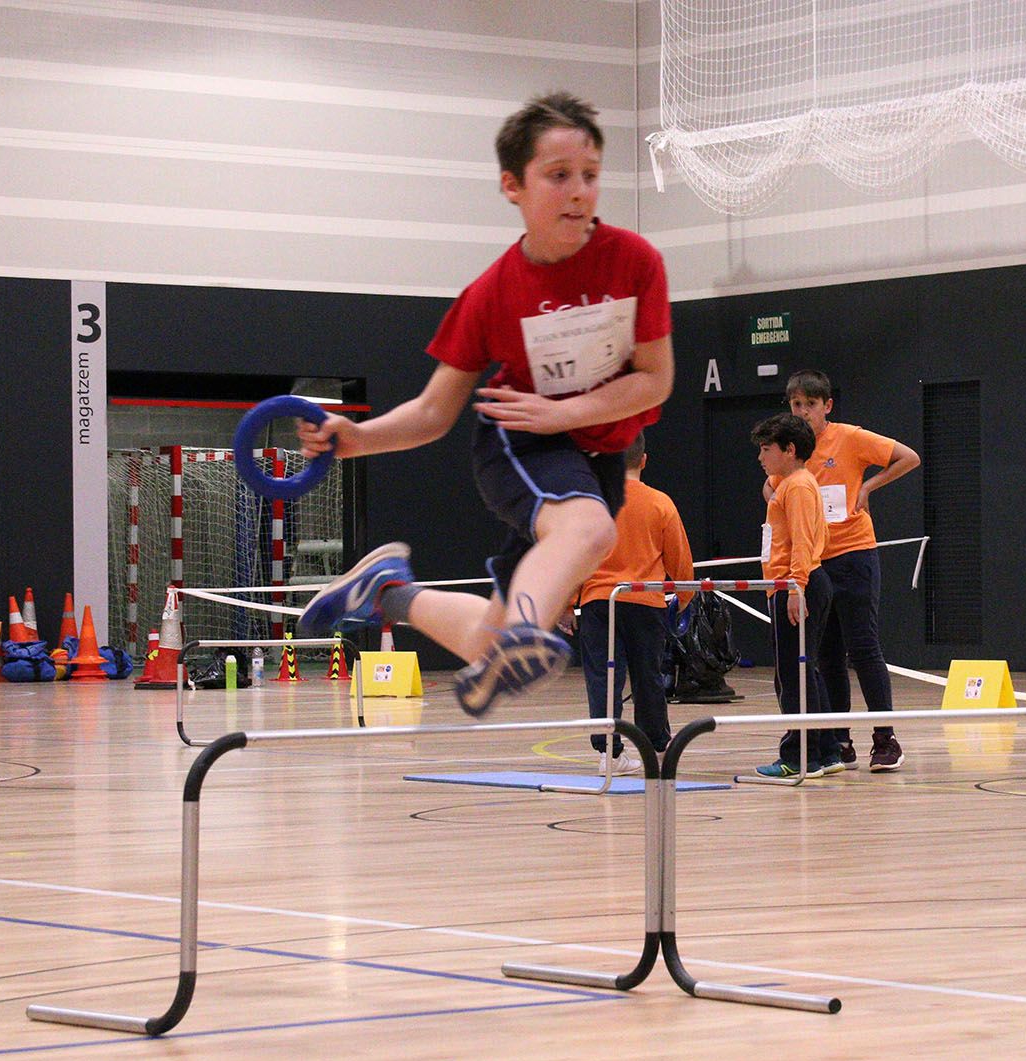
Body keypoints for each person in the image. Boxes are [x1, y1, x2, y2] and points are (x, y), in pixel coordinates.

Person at [295, 92, 674, 717]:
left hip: (593, 457)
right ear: (512, 185)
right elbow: (432, 412)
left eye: (590, 175)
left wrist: (568, 413)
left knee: (485, 640)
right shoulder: (493, 293)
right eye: (558, 176)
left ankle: (386, 593)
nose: (579, 192)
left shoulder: (634, 262)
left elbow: (655, 381)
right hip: (520, 441)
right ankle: (525, 634)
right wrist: (357, 438)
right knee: (590, 530)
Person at [765, 369, 919, 771]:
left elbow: (909, 457)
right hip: (814, 564)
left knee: (863, 647)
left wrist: (868, 487)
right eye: (796, 404)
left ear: (827, 406)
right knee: (826, 655)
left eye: (810, 404)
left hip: (853, 555)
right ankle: (838, 739)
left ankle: (885, 739)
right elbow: (771, 486)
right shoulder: (791, 450)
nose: (802, 411)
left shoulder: (850, 438)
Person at [573, 430, 695, 775]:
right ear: (643, 460)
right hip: (645, 600)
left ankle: (608, 753)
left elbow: (575, 556)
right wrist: (684, 597)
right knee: (648, 676)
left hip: (599, 601)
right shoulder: (660, 502)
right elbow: (680, 558)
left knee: (602, 677)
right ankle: (656, 744)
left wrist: (568, 602)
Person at [751, 412, 840, 779]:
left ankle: (799, 756)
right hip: (793, 583)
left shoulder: (799, 487)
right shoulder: (793, 483)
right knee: (806, 670)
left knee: (792, 674)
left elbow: (803, 541)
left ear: (789, 450)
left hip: (797, 584)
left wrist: (795, 586)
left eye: (766, 449)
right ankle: (827, 751)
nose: (760, 457)